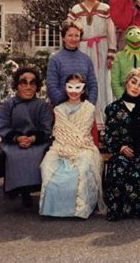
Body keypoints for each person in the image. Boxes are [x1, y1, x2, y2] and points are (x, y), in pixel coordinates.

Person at [39, 73, 105, 219]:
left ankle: (79, 210)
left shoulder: (89, 109)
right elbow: (61, 133)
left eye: (78, 87)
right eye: (70, 87)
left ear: (83, 89)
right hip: (60, 147)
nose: (74, 91)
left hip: (83, 147)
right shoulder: (59, 109)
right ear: (65, 88)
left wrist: (71, 148)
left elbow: (81, 133)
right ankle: (52, 209)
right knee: (47, 166)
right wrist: (64, 149)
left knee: (83, 167)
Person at [104, 68, 140, 221]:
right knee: (119, 166)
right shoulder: (113, 108)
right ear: (127, 82)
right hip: (122, 150)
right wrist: (121, 147)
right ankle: (118, 210)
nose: (136, 87)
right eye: (133, 82)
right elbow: (109, 134)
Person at [0, 67, 53, 208]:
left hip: (36, 142)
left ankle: (29, 188)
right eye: (23, 83)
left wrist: (32, 139)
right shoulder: (9, 105)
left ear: (37, 87)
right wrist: (17, 138)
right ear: (17, 86)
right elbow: (2, 125)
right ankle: (16, 188)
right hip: (13, 142)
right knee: (14, 155)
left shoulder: (42, 106)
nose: (28, 87)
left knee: (35, 155)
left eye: (32, 83)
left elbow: (47, 128)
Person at [68, 0, 116, 129]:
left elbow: (111, 31)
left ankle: (103, 123)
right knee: (83, 81)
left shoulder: (105, 9)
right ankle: (83, 122)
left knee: (102, 82)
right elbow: (69, 30)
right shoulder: (76, 10)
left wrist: (111, 52)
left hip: (101, 48)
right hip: (82, 48)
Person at [47, 20, 98, 107]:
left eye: (76, 36)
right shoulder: (55, 60)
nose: (73, 39)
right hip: (62, 109)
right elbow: (51, 86)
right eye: (70, 35)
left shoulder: (86, 59)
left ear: (80, 38)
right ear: (63, 38)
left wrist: (89, 105)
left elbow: (93, 85)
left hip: (83, 109)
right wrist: (64, 106)